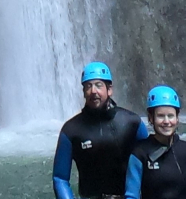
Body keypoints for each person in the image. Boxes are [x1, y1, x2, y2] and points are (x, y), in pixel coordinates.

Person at [55, 62, 150, 199]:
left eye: (98, 85)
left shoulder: (132, 123)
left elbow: (149, 168)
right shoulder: (71, 130)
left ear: (109, 89)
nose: (93, 91)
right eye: (88, 86)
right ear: (83, 92)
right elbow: (60, 178)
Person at [125, 86, 186, 199]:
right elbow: (131, 196)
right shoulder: (139, 154)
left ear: (177, 118)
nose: (166, 121)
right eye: (160, 116)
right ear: (151, 118)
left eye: (170, 116)